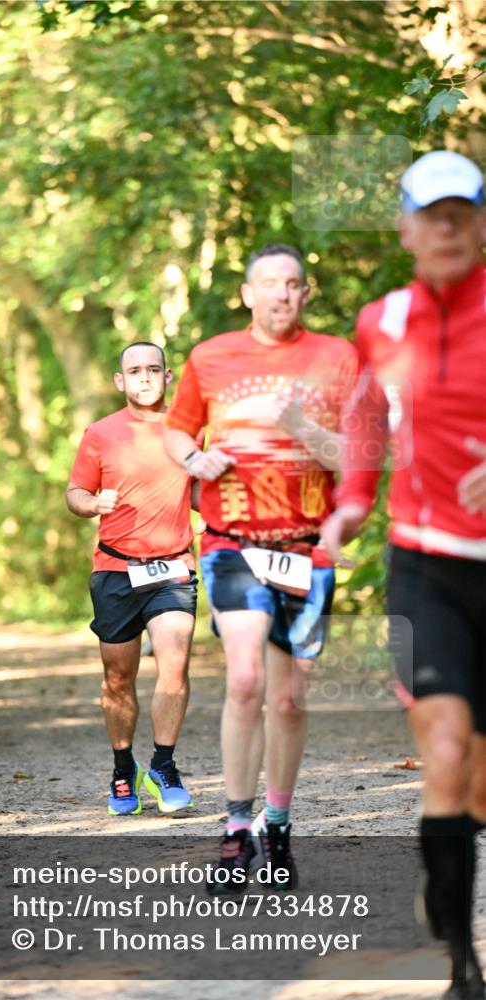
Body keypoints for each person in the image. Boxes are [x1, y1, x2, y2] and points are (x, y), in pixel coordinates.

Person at [322, 151, 486, 1000]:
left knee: (480, 782)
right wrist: (352, 502)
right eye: (433, 212)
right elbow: (363, 420)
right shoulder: (379, 321)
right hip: (424, 565)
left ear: (482, 223)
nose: (448, 226)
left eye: (463, 211)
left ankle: (447, 866)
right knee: (446, 752)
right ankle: (461, 966)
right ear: (405, 227)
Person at [163, 243, 359, 890]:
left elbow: (357, 458)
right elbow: (176, 430)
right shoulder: (210, 357)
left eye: (294, 284)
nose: (282, 294)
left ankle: (277, 825)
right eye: (269, 284)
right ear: (246, 294)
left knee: (288, 697)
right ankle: (235, 828)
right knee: (244, 679)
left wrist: (304, 427)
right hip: (231, 543)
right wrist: (192, 462)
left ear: (307, 295)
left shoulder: (336, 358)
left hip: (305, 549)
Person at [66, 342, 199, 816]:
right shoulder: (101, 433)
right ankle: (124, 770)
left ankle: (163, 765)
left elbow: (207, 492)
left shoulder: (189, 430)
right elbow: (75, 491)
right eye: (134, 371)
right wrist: (90, 504)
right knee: (118, 679)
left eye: (153, 370)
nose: (145, 378)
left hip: (173, 569)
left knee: (175, 662)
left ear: (167, 377)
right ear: (120, 381)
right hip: (116, 569)